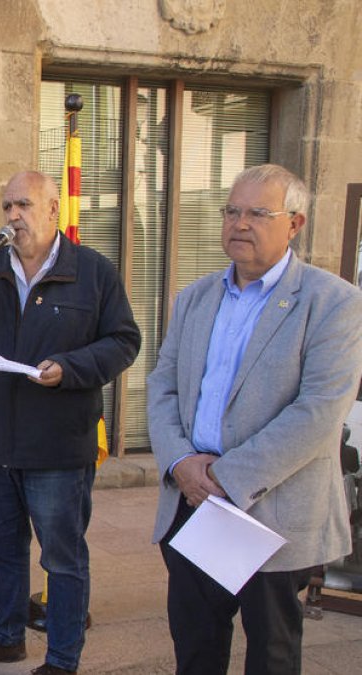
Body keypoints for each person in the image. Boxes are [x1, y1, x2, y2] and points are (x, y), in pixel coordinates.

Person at [148, 164, 362, 674]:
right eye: (232, 211)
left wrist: (223, 476)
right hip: (193, 504)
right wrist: (181, 462)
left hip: (272, 513)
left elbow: (319, 411)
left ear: (296, 224)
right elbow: (163, 385)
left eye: (258, 213)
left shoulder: (333, 303)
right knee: (195, 647)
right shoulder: (196, 296)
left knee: (271, 654)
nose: (240, 223)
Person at [0, 171, 140, 674]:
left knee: (62, 559)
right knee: (3, 549)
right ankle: (5, 636)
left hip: (57, 447)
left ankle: (63, 659)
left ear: (54, 210)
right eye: (6, 206)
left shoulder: (92, 272)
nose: (12, 216)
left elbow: (124, 342)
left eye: (23, 205)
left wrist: (69, 369)